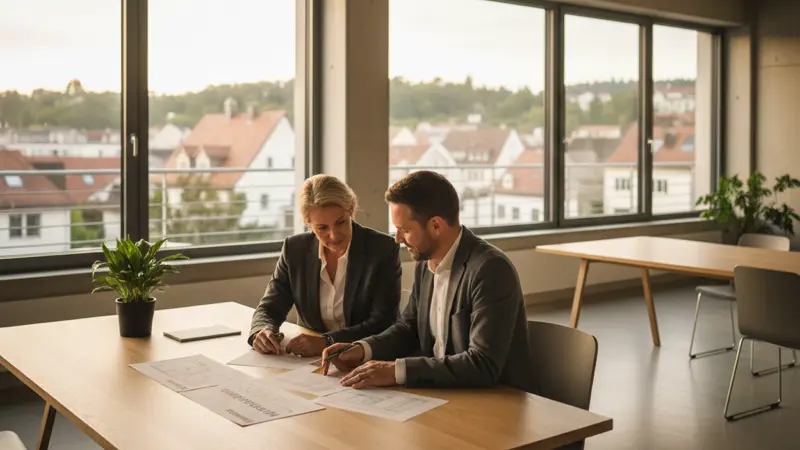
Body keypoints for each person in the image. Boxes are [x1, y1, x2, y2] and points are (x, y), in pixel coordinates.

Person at [323, 170, 534, 393]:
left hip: (498, 399)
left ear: (436, 225)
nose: (397, 239)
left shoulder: (491, 269)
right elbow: (409, 328)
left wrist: (397, 370)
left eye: (404, 230)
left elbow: (482, 364)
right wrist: (363, 349)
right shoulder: (426, 263)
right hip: (446, 392)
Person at [248, 174, 401, 357]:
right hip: (310, 362)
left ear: (351, 209)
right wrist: (262, 331)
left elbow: (383, 322)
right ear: (308, 223)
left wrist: (327, 341)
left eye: (341, 222)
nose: (334, 235)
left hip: (367, 357)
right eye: (322, 228)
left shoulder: (382, 249)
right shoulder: (294, 250)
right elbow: (270, 307)